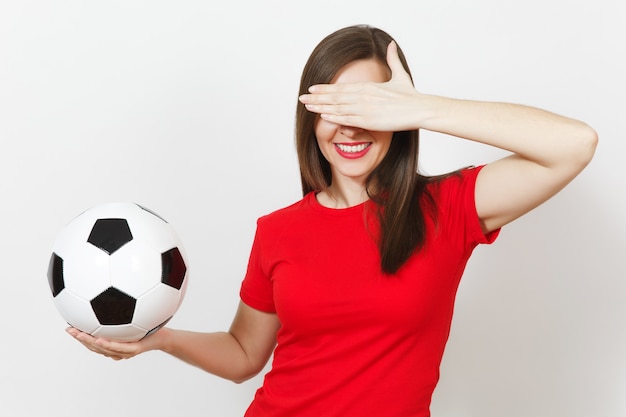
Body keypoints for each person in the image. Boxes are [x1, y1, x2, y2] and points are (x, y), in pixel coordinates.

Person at [67, 25, 598, 416]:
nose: (350, 126)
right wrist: (159, 339)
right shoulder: (277, 230)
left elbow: (574, 145)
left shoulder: (446, 208)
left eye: (367, 106)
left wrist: (424, 108)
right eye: (334, 106)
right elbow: (245, 354)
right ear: (310, 116)